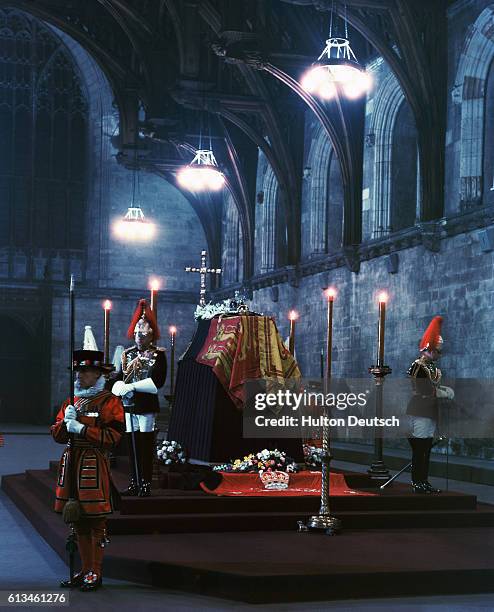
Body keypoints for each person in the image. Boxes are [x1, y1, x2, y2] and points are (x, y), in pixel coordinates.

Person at [51, 349, 124, 591]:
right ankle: (84, 570)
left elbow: (113, 436)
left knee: (96, 521)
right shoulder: (70, 401)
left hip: (93, 464)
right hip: (72, 463)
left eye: (84, 372)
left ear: (97, 375)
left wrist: (81, 429)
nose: (79, 376)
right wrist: (64, 423)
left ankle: (96, 571)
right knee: (78, 522)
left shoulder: (110, 402)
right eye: (78, 371)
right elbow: (57, 436)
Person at [112, 299, 167, 497]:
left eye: (142, 333)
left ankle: (145, 483)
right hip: (128, 405)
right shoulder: (127, 354)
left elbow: (157, 382)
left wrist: (131, 386)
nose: (138, 336)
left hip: (146, 405)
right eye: (136, 333)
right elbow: (120, 376)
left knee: (145, 445)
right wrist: (116, 385)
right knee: (132, 445)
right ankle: (134, 481)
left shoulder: (157, 355)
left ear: (151, 334)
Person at [407, 316, 454, 494]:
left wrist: (442, 390)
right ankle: (417, 481)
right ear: (430, 349)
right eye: (437, 351)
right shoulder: (418, 366)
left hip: (430, 410)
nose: (438, 355)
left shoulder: (432, 367)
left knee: (426, 449)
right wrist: (443, 393)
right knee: (420, 449)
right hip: (420, 409)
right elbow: (425, 389)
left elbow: (433, 386)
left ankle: (423, 480)